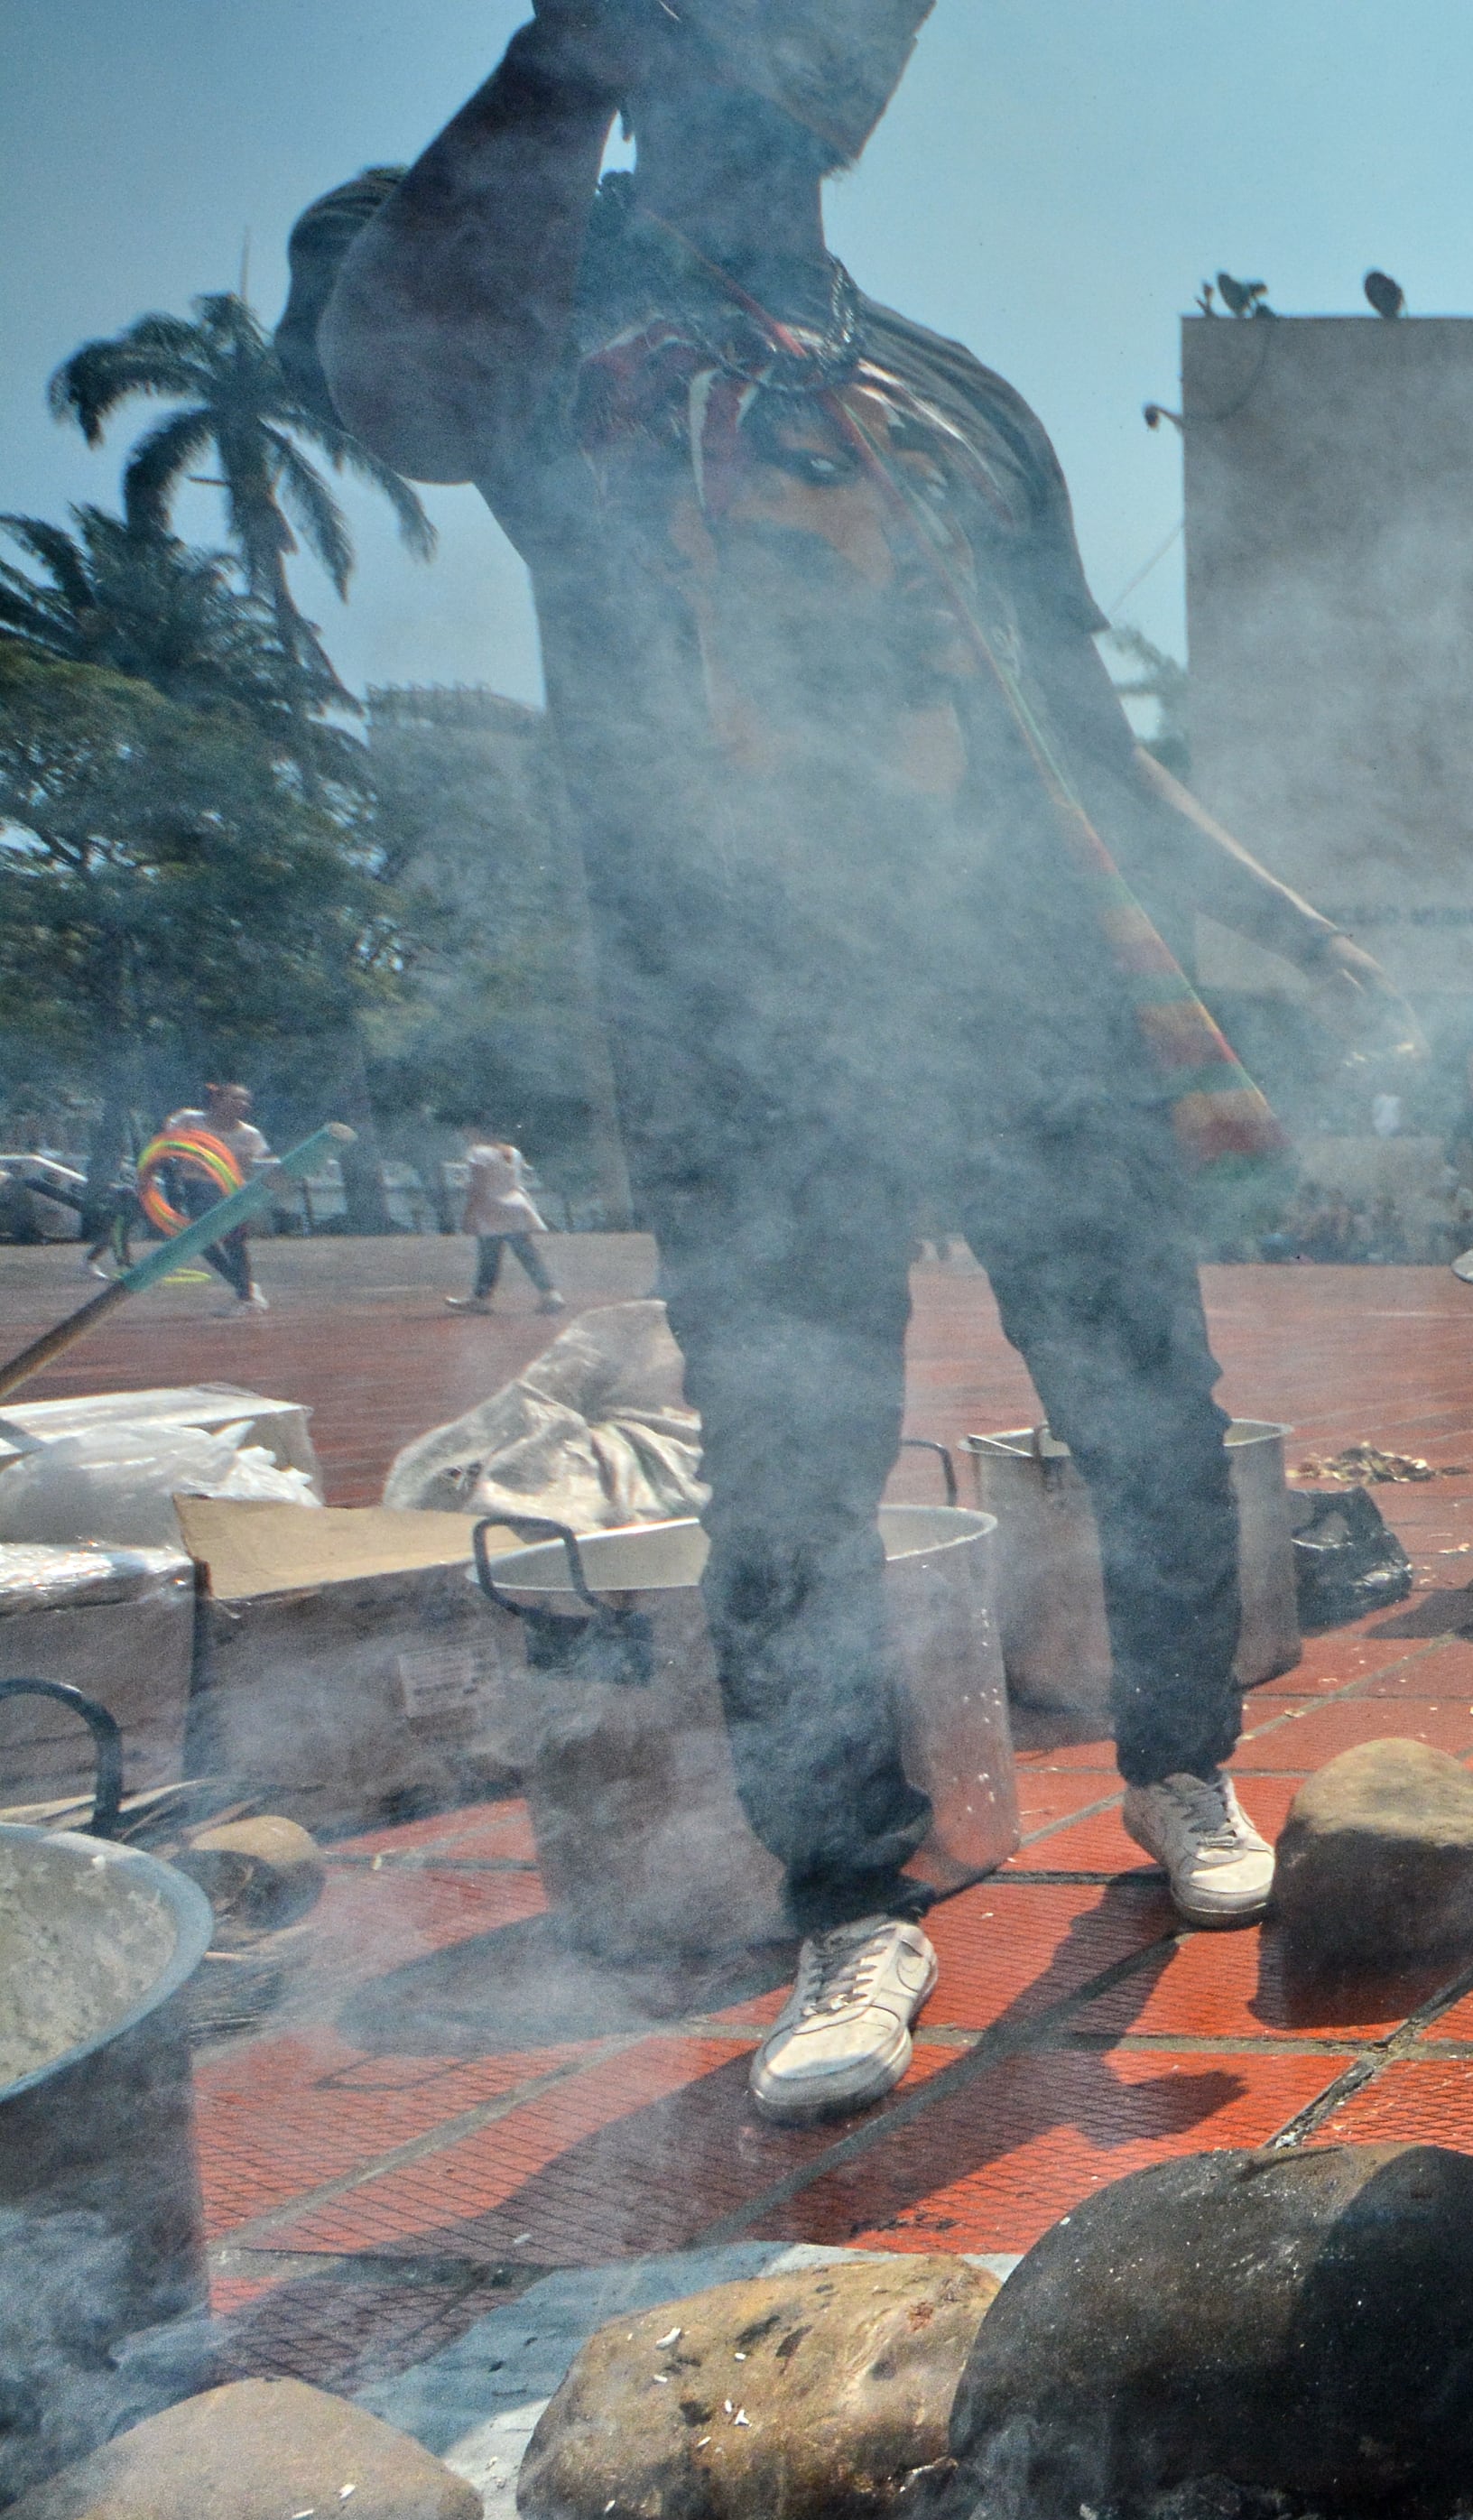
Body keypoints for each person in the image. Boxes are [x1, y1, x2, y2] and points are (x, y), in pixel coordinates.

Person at [320, 0, 1409, 2121]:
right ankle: (851, 1901)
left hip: (1026, 989)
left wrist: (1275, 918)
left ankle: (1185, 1767)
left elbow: (1087, 736)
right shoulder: (554, 311)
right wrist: (570, 54)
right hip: (749, 1014)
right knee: (801, 1464)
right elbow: (403, 389)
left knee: (1149, 1407)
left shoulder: (961, 406)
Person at [145, 1085, 273, 1312]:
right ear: (217, 1099)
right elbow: (165, 1142)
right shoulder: (189, 1120)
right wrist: (149, 1175)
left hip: (231, 1191)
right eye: (235, 1098)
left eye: (246, 1101)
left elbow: (261, 1164)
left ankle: (246, 1295)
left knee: (234, 1242)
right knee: (201, 1240)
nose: (242, 1105)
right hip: (195, 1187)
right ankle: (246, 1290)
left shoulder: (250, 1135)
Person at [442, 1127, 565, 1312]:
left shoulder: (478, 1153)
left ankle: (481, 1298)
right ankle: (550, 1294)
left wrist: (468, 1214)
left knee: (489, 1254)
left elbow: (478, 1186)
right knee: (526, 1252)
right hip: (516, 1205)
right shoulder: (512, 1152)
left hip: (492, 1209)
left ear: (477, 1131)